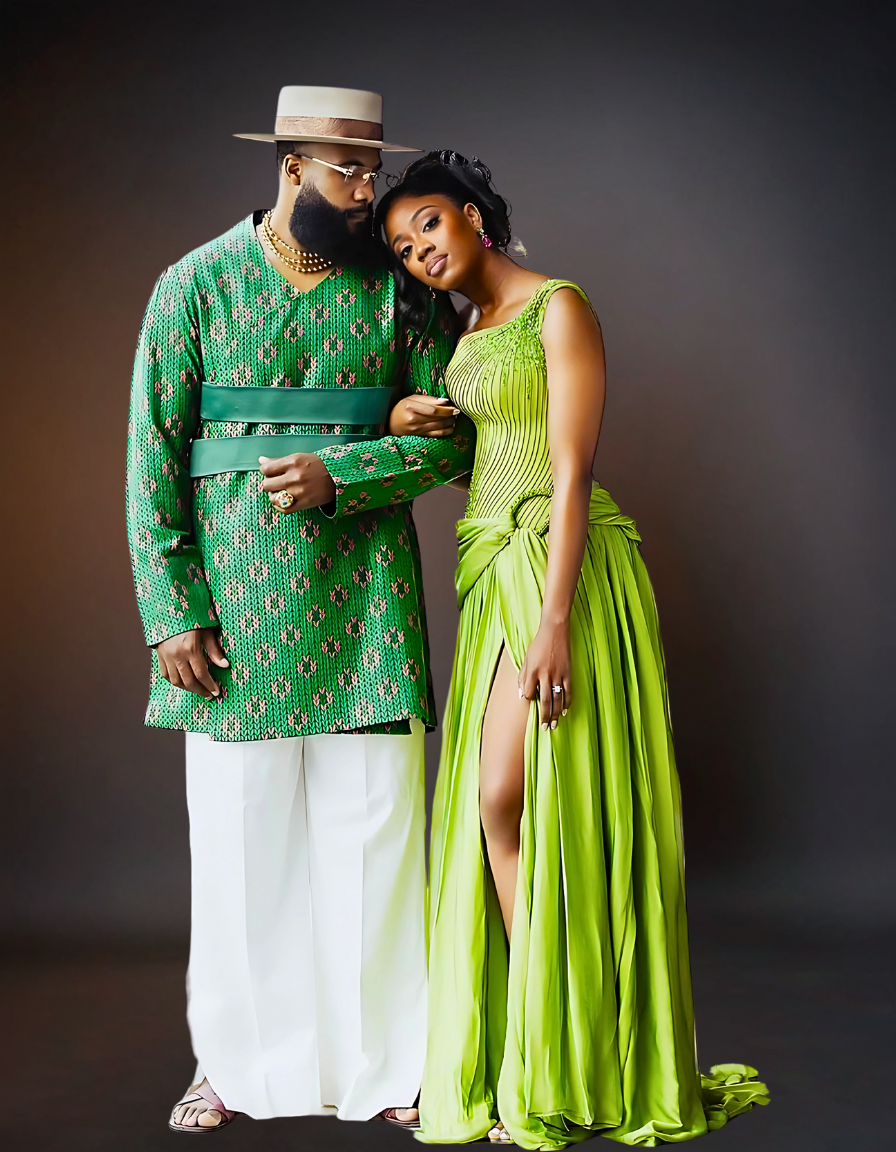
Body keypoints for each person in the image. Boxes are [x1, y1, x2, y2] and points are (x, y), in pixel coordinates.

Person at [379, 151, 768, 1148]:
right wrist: (415, 416)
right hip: (487, 570)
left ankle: (574, 1056)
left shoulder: (558, 304)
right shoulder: (464, 333)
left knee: (517, 801)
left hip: (561, 572)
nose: (420, 251)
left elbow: (568, 466)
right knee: (500, 811)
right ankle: (542, 1049)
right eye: (401, 247)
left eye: (428, 226)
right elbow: (480, 458)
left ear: (469, 215)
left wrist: (551, 619)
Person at [125, 92, 473, 1132]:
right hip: (230, 607)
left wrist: (348, 473)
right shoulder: (191, 285)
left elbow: (448, 440)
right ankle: (231, 1066)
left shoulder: (395, 296)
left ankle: (389, 1070)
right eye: (345, 172)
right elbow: (152, 457)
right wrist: (169, 611)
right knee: (240, 851)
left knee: (375, 841)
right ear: (288, 167)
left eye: (372, 172)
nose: (367, 194)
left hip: (364, 601)